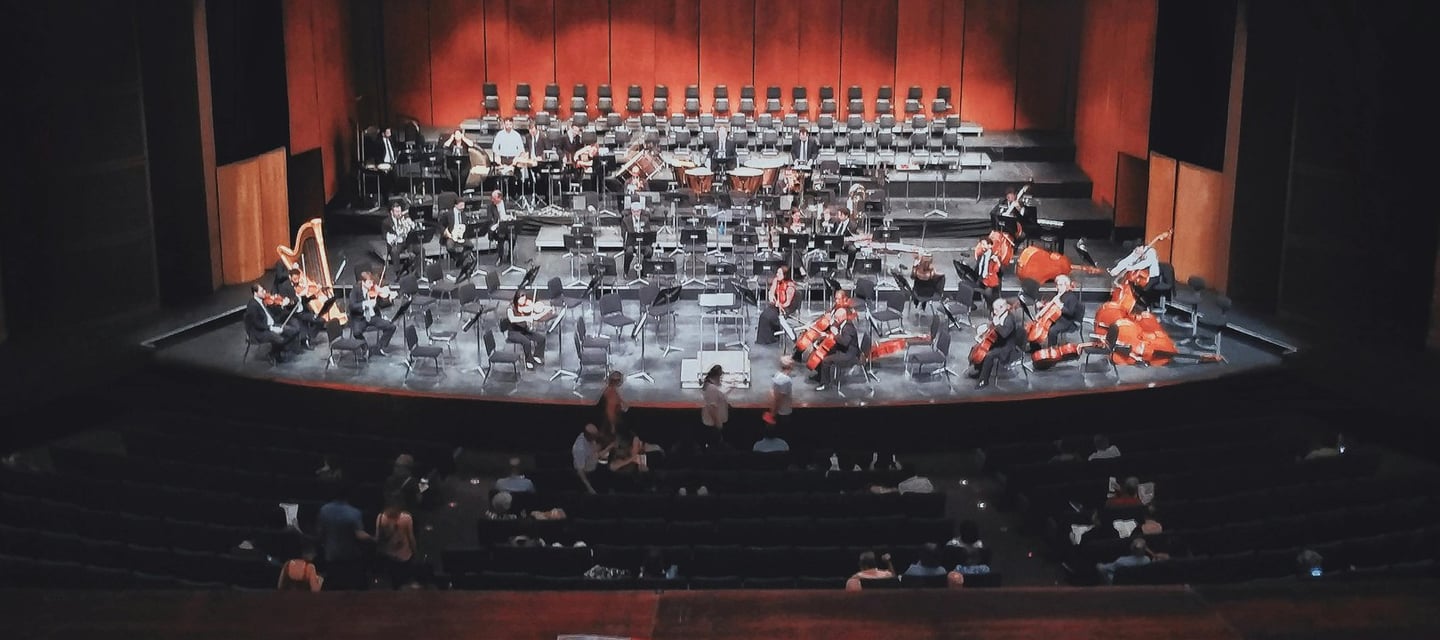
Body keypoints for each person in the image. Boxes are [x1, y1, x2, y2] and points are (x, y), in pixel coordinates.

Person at [316, 485, 373, 590]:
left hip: (331, 556)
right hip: (350, 558)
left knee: (334, 589)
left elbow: (320, 534)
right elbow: (359, 535)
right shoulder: (354, 512)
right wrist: (374, 538)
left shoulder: (324, 510)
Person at [970, 297, 1023, 389]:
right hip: (999, 342)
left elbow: (1004, 334)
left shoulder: (1009, 319)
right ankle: (979, 371)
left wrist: (997, 324)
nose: (994, 312)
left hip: (1007, 348)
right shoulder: (1000, 315)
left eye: (996, 310)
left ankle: (984, 381)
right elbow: (994, 330)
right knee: (978, 348)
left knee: (989, 355)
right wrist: (983, 335)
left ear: (1002, 307)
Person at [246, 283, 302, 362]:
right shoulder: (252, 306)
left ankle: (279, 351)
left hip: (272, 325)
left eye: (264, 290)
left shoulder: (262, 301)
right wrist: (271, 328)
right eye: (262, 291)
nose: (264, 292)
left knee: (293, 331)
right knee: (280, 339)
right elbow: (257, 323)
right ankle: (273, 354)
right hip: (261, 331)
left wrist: (282, 307)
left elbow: (271, 316)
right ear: (255, 293)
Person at [347, 270, 396, 355]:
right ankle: (365, 348)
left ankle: (379, 347)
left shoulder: (373, 290)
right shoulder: (355, 290)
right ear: (363, 282)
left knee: (391, 327)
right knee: (356, 332)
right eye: (369, 282)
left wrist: (390, 299)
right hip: (360, 318)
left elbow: (381, 304)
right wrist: (365, 304)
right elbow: (352, 306)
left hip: (373, 317)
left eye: (372, 282)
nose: (372, 285)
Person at [375, 497, 417, 589]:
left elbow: (378, 538)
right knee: (404, 583)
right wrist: (415, 552)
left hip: (388, 555)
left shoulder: (381, 517)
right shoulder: (406, 518)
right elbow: (411, 537)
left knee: (391, 584)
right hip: (404, 556)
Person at [814, 307, 859, 392]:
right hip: (844, 349)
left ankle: (825, 384)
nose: (835, 320)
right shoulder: (842, 323)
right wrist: (827, 335)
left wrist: (836, 333)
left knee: (826, 360)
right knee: (822, 353)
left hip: (848, 354)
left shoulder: (849, 328)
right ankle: (821, 376)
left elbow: (845, 342)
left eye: (837, 318)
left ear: (843, 317)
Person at [275, 268, 323, 347]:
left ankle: (308, 336)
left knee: (321, 320)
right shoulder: (284, 287)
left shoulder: (299, 285)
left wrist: (314, 294)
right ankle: (303, 339)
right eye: (295, 279)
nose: (297, 281)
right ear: (290, 277)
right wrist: (299, 296)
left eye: (298, 279)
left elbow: (304, 300)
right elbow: (287, 304)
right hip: (292, 314)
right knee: (296, 328)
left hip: (302, 312)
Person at [504, 290, 549, 369]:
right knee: (526, 342)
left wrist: (545, 310)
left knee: (541, 339)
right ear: (516, 299)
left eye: (524, 300)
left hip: (523, 330)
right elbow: (512, 319)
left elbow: (534, 315)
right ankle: (529, 361)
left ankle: (537, 356)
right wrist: (526, 318)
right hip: (513, 332)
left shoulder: (525, 306)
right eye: (521, 300)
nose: (523, 302)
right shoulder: (510, 308)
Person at [756, 265, 798, 345]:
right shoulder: (776, 280)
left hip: (785, 308)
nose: (777, 274)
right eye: (777, 273)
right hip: (776, 305)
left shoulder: (790, 286)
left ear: (785, 275)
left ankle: (773, 337)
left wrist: (780, 305)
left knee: (769, 317)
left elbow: (787, 303)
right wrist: (771, 297)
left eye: (779, 273)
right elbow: (771, 291)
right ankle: (764, 340)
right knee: (764, 315)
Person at [1039, 274, 1084, 346]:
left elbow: (1070, 313)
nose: (1058, 287)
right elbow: (1053, 309)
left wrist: (1059, 305)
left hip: (1067, 321)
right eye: (1057, 285)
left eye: (1061, 285)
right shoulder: (1058, 295)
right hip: (1057, 318)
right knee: (1042, 326)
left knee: (1052, 330)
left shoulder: (1071, 297)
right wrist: (1044, 306)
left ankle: (1052, 349)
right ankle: (1036, 347)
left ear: (1066, 286)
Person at [572, 423, 613, 494]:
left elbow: (595, 452)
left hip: (594, 462)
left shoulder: (591, 440)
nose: (597, 436)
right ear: (589, 436)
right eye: (595, 435)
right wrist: (589, 488)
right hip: (588, 472)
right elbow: (580, 472)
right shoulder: (580, 449)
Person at [382, 201, 421, 271]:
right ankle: (397, 272)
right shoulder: (386, 222)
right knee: (394, 251)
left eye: (400, 211)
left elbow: (412, 229)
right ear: (392, 212)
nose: (399, 213)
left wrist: (411, 224)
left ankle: (419, 271)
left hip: (407, 242)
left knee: (421, 249)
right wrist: (392, 237)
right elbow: (384, 236)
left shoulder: (404, 218)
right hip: (395, 243)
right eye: (397, 212)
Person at [700, 365, 731, 450]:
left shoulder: (712, 388)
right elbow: (712, 408)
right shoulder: (712, 388)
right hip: (713, 426)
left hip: (714, 425)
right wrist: (717, 423)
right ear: (717, 376)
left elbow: (720, 397)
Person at [620, 200, 653, 275]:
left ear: (640, 211)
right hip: (631, 243)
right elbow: (623, 234)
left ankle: (645, 270)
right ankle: (626, 271)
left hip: (643, 242)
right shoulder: (625, 220)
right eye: (634, 212)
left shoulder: (645, 219)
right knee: (629, 251)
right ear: (631, 211)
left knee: (649, 251)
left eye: (638, 211)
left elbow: (648, 232)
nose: (636, 213)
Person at [486, 189, 516, 266]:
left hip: (508, 227)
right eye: (492, 198)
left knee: (513, 237)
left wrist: (511, 218)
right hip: (497, 229)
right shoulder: (490, 206)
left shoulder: (507, 204)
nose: (492, 200)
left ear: (499, 198)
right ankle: (500, 257)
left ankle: (510, 255)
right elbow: (489, 220)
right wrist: (496, 224)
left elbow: (513, 215)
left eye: (494, 198)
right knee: (500, 236)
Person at [438, 197, 471, 264]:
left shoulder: (464, 215)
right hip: (450, 236)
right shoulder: (448, 214)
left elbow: (466, 225)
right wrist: (445, 232)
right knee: (450, 247)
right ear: (456, 205)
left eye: (463, 205)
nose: (463, 207)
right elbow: (441, 225)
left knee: (470, 245)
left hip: (461, 236)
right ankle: (457, 258)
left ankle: (462, 258)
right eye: (461, 205)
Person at [974, 236, 1003, 308]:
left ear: (990, 245)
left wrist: (998, 262)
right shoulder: (980, 256)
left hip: (991, 282)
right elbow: (977, 269)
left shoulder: (995, 258)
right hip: (981, 280)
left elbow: (1000, 273)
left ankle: (991, 308)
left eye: (984, 244)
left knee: (989, 294)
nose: (982, 246)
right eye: (981, 244)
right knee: (968, 287)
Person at [598, 370, 629, 436]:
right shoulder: (609, 391)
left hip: (614, 412)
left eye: (617, 380)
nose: (615, 382)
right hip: (611, 410)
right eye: (613, 380)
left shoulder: (617, 392)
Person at [769, 355, 795, 428]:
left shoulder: (777, 375)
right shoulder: (786, 380)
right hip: (783, 413)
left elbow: (772, 392)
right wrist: (773, 413)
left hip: (779, 412)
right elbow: (779, 399)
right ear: (790, 366)